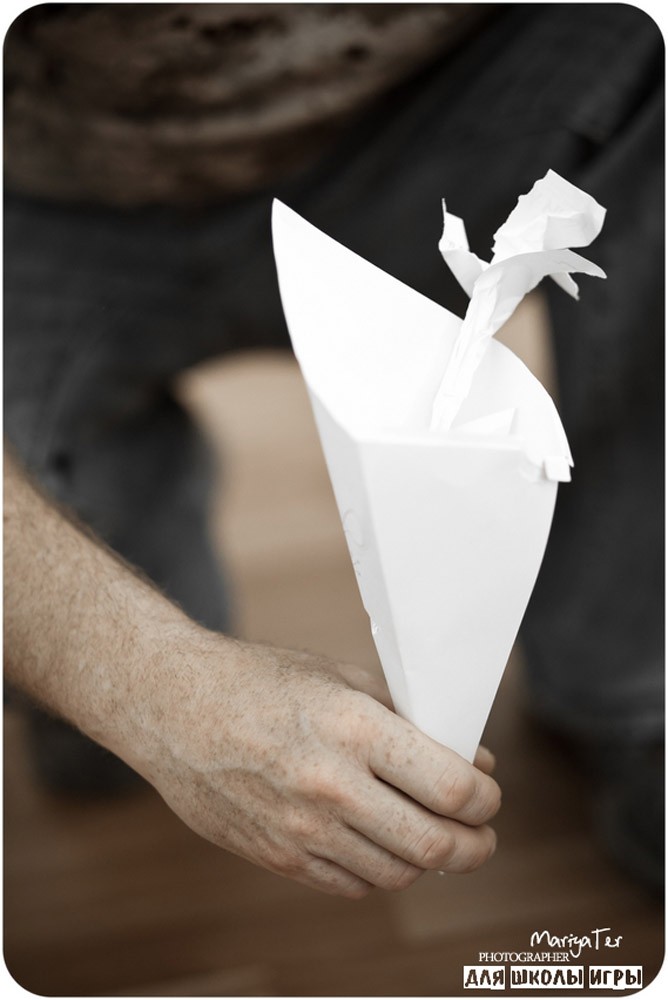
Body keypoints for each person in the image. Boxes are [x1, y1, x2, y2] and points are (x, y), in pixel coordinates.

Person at [3, 2, 664, 894]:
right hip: (38, 192)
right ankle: (117, 475)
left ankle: (631, 683)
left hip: (426, 116)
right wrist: (154, 690)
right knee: (96, 752)